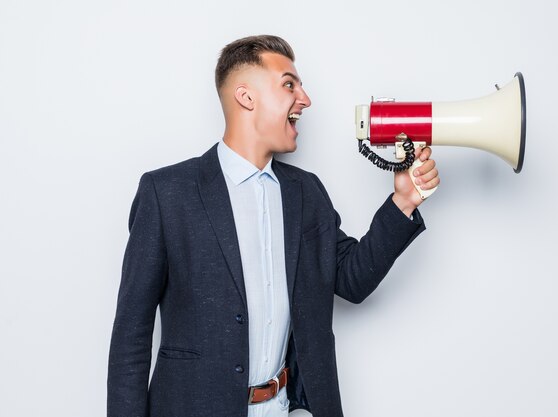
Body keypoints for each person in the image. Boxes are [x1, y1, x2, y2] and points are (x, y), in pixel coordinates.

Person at [107, 35, 440, 417]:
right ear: (246, 98)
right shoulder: (166, 194)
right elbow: (130, 341)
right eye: (289, 84)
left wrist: (404, 201)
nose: (305, 99)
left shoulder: (307, 192)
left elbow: (352, 280)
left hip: (283, 408)